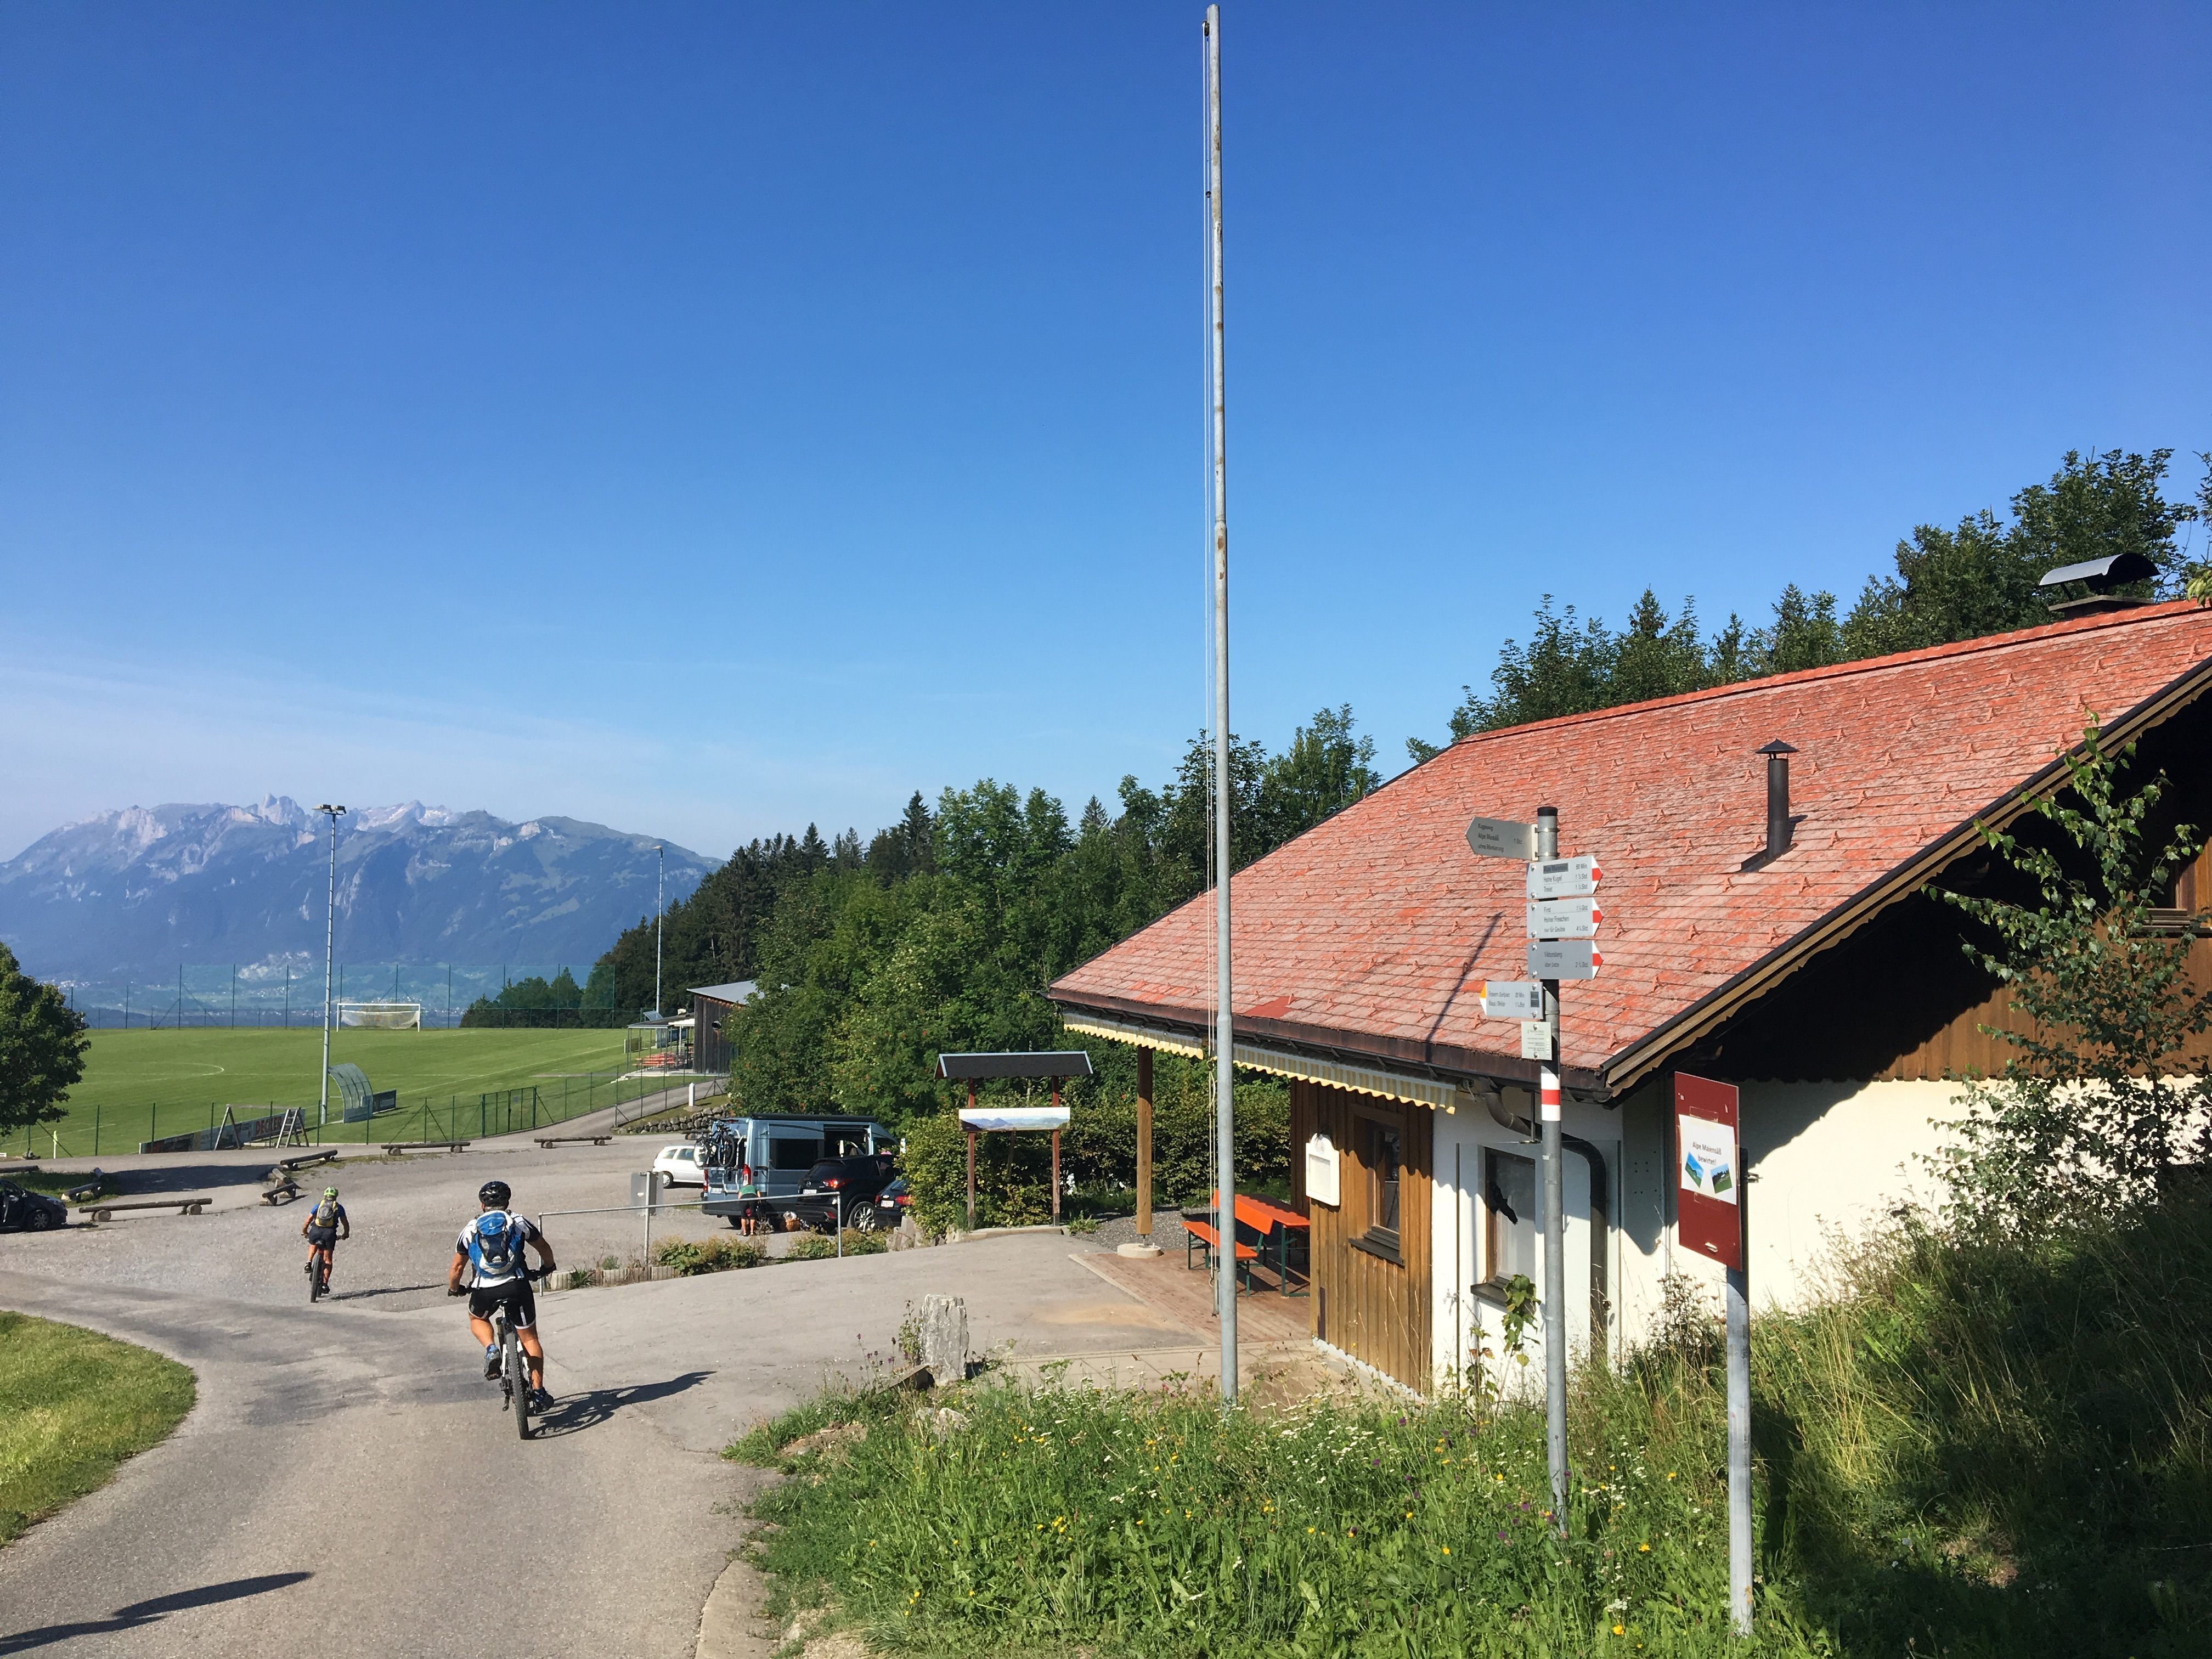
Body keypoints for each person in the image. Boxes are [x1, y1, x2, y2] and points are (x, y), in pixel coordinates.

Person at [447, 1180, 557, 1409]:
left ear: (481, 1205)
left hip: (484, 1289)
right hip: (517, 1285)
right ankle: (538, 1392)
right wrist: (548, 1267)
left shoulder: (471, 1228)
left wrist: (454, 1289)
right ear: (507, 1201)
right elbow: (543, 1246)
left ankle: (491, 1349)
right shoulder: (517, 1222)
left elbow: (458, 1266)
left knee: (477, 1318)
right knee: (530, 1338)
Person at [301, 1186, 349, 1290]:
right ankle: (324, 1284)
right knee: (328, 1260)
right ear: (335, 1197)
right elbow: (345, 1223)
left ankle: (309, 1262)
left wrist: (305, 1232)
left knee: (313, 1244)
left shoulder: (319, 1205)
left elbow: (308, 1220)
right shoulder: (338, 1207)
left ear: (325, 1196)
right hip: (329, 1233)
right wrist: (346, 1234)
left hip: (316, 1231)